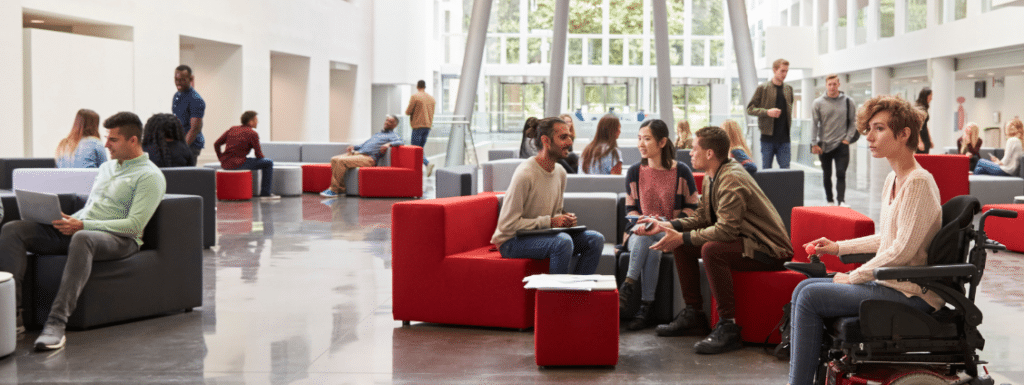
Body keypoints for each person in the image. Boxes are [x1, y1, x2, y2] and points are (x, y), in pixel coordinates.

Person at [786, 95, 941, 385]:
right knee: (803, 288)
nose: (868, 136)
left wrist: (855, 275)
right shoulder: (894, 179)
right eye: (868, 128)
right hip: (891, 283)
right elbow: (889, 237)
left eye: (878, 128)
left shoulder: (918, 182)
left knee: (808, 296)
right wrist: (838, 247)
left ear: (904, 134)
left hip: (911, 293)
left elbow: (902, 250)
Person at [0, 111, 166, 351]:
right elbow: (92, 209)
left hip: (120, 239)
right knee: (15, 230)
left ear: (133, 140)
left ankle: (56, 323)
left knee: (82, 238)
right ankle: (10, 318)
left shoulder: (150, 176)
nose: (106, 144)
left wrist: (83, 225)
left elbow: (134, 225)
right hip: (84, 229)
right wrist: (68, 220)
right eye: (107, 138)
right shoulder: (107, 168)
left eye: (113, 140)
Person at [633, 125, 792, 354]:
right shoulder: (712, 175)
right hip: (745, 241)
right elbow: (702, 218)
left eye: (695, 148)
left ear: (709, 153)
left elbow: (725, 231)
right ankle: (693, 315)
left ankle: (728, 327)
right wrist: (667, 226)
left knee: (711, 250)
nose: (690, 152)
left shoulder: (732, 179)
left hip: (770, 250)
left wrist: (683, 236)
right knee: (681, 244)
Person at [491, 117, 603, 275]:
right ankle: (556, 298)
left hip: (541, 234)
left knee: (595, 240)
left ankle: (575, 293)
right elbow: (507, 225)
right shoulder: (525, 174)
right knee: (562, 242)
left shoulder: (560, 173)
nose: (570, 142)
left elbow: (554, 213)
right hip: (511, 242)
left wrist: (563, 219)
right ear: (546, 141)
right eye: (563, 137)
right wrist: (550, 222)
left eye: (570, 136)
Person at [619, 119, 699, 330]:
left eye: (647, 139)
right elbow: (630, 211)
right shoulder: (634, 172)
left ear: (662, 142)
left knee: (654, 242)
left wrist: (666, 223)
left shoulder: (681, 171)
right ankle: (645, 306)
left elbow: (693, 208)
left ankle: (628, 287)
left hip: (668, 231)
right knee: (647, 239)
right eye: (639, 139)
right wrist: (641, 223)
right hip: (638, 231)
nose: (641, 144)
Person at [320, 115, 404, 197]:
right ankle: (341, 189)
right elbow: (364, 144)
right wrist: (354, 147)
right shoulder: (378, 134)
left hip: (369, 158)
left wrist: (388, 144)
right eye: (387, 120)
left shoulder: (393, 135)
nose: (387, 122)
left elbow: (400, 142)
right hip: (358, 153)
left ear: (395, 125)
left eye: (390, 121)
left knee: (340, 161)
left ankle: (333, 190)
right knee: (334, 159)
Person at [811, 74, 858, 206]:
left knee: (841, 173)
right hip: (824, 145)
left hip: (842, 144)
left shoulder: (848, 101)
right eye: (829, 84)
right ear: (826, 85)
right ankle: (830, 200)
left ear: (839, 84)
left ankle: (841, 200)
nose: (832, 87)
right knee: (827, 174)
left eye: (834, 84)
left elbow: (853, 122)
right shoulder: (818, 103)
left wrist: (847, 139)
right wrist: (814, 143)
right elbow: (814, 123)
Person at [214, 111, 279, 200]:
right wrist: (262, 157)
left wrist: (221, 158)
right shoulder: (252, 134)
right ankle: (266, 193)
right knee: (268, 163)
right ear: (250, 122)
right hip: (239, 163)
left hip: (225, 163)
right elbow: (258, 155)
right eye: (256, 120)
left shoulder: (233, 129)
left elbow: (216, 144)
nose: (258, 122)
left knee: (252, 160)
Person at [747, 58, 793, 169]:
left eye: (786, 71)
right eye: (782, 71)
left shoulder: (788, 89)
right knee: (766, 170)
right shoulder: (763, 88)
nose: (785, 74)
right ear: (774, 70)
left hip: (785, 139)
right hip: (767, 138)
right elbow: (750, 109)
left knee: (786, 171)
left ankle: (783, 187)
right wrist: (767, 112)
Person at [173, 65, 206, 160]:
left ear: (191, 78)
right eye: (176, 79)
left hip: (191, 145)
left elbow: (195, 129)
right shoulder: (177, 96)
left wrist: (182, 148)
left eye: (182, 80)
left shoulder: (195, 100)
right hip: (180, 142)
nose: (178, 83)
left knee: (185, 173)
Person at [406, 80, 436, 174]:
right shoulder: (431, 99)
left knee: (415, 149)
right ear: (425, 86)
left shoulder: (415, 97)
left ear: (417, 86)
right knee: (420, 149)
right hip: (427, 126)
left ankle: (426, 164)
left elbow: (408, 111)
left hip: (418, 126)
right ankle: (423, 168)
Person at [915, 87, 933, 154]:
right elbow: (916, 126)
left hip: (925, 137)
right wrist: (919, 142)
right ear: (926, 96)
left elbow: (925, 125)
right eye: (931, 95)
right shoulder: (919, 108)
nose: (931, 98)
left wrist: (930, 139)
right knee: (920, 160)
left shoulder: (924, 108)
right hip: (920, 138)